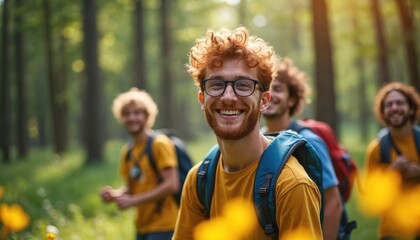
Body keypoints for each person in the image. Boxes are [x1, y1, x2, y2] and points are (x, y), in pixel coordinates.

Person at [173, 27, 322, 239]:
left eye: (243, 85)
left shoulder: (292, 185)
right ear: (201, 100)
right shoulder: (198, 179)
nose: (228, 96)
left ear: (264, 101)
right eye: (216, 84)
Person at [262, 58, 343, 240]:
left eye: (278, 89)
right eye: (266, 87)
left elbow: (333, 203)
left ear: (291, 100)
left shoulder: (308, 140)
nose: (270, 94)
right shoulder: (259, 138)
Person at [100, 88, 180, 240]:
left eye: (137, 113)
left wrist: (133, 201)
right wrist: (115, 195)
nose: (132, 118)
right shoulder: (128, 151)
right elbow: (132, 188)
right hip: (142, 228)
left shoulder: (159, 144)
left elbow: (172, 184)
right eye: (126, 114)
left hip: (165, 227)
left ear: (147, 115)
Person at [365, 82, 420, 239]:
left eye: (400, 103)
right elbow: (372, 200)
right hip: (391, 233)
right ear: (383, 112)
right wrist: (391, 173)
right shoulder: (376, 149)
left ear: (411, 109)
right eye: (389, 105)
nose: (394, 107)